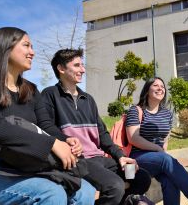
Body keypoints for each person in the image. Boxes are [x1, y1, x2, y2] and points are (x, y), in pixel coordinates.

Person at [0, 27, 96, 205]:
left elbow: (46, 125)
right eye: (26, 45)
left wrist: (65, 140)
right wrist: (52, 144)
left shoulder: (30, 89)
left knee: (85, 191)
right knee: (51, 194)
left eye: (32, 46)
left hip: (23, 161)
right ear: (5, 48)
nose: (32, 52)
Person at [41, 48, 152, 205]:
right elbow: (46, 128)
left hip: (101, 158)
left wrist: (120, 156)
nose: (83, 70)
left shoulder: (88, 99)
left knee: (141, 177)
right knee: (115, 186)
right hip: (80, 161)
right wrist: (67, 140)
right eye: (77, 65)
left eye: (82, 65)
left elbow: (103, 135)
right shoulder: (50, 94)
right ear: (61, 68)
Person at [125, 77, 188, 205]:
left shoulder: (167, 114)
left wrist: (161, 150)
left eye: (162, 86)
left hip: (158, 159)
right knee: (167, 159)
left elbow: (165, 139)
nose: (160, 88)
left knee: (171, 180)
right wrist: (157, 149)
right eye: (155, 85)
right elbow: (133, 138)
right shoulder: (136, 110)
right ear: (147, 90)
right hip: (135, 160)